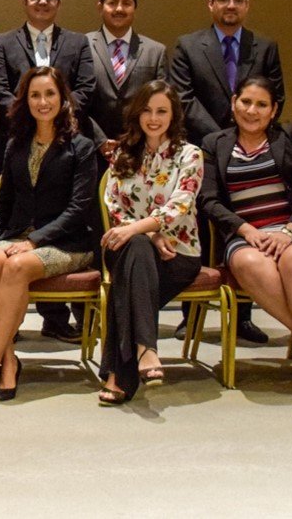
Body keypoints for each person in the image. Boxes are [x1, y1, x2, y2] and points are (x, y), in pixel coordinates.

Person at [198, 76, 292, 404]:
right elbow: (209, 201)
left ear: (274, 110)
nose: (252, 110)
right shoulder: (213, 143)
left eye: (262, 104)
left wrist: (288, 231)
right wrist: (246, 230)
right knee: (249, 263)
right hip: (246, 234)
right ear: (233, 103)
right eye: (246, 102)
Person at [0, 66, 98, 402]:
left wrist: (33, 241)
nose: (43, 101)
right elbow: (3, 204)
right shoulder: (15, 145)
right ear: (25, 101)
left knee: (16, 266)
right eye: (35, 95)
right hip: (19, 235)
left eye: (50, 94)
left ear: (63, 99)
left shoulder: (81, 147)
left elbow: (78, 209)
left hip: (68, 242)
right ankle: (8, 361)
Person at [168, 0, 283, 344]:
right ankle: (192, 315)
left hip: (250, 154)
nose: (230, 5)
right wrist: (222, 138)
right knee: (197, 230)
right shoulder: (188, 46)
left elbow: (275, 97)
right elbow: (183, 99)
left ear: (247, 5)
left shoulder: (265, 47)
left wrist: (244, 134)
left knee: (246, 227)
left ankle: (243, 316)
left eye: (237, 0)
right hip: (202, 153)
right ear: (211, 4)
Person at [0, 0, 96, 342]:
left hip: (65, 142)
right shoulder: (3, 42)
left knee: (54, 212)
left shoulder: (78, 42)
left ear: (58, 2)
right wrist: (29, 115)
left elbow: (86, 87)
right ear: (25, 0)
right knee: (21, 211)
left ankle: (55, 319)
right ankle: (8, 329)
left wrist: (54, 113)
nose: (43, 2)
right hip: (18, 136)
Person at [98, 80, 204, 404]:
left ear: (174, 115)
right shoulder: (122, 153)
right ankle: (147, 349)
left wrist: (142, 231)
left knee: (128, 285)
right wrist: (147, 234)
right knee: (138, 249)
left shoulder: (190, 155)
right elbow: (114, 206)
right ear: (137, 113)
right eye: (147, 110)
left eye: (162, 111)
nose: (154, 118)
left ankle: (118, 377)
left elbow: (180, 205)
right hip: (127, 246)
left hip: (178, 253)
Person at [86, 0, 167, 147]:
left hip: (141, 146)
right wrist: (99, 140)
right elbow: (75, 100)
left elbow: (162, 104)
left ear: (135, 8)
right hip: (92, 146)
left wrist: (136, 138)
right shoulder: (82, 46)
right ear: (100, 7)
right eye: (112, 3)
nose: (119, 9)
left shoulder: (156, 51)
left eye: (126, 3)